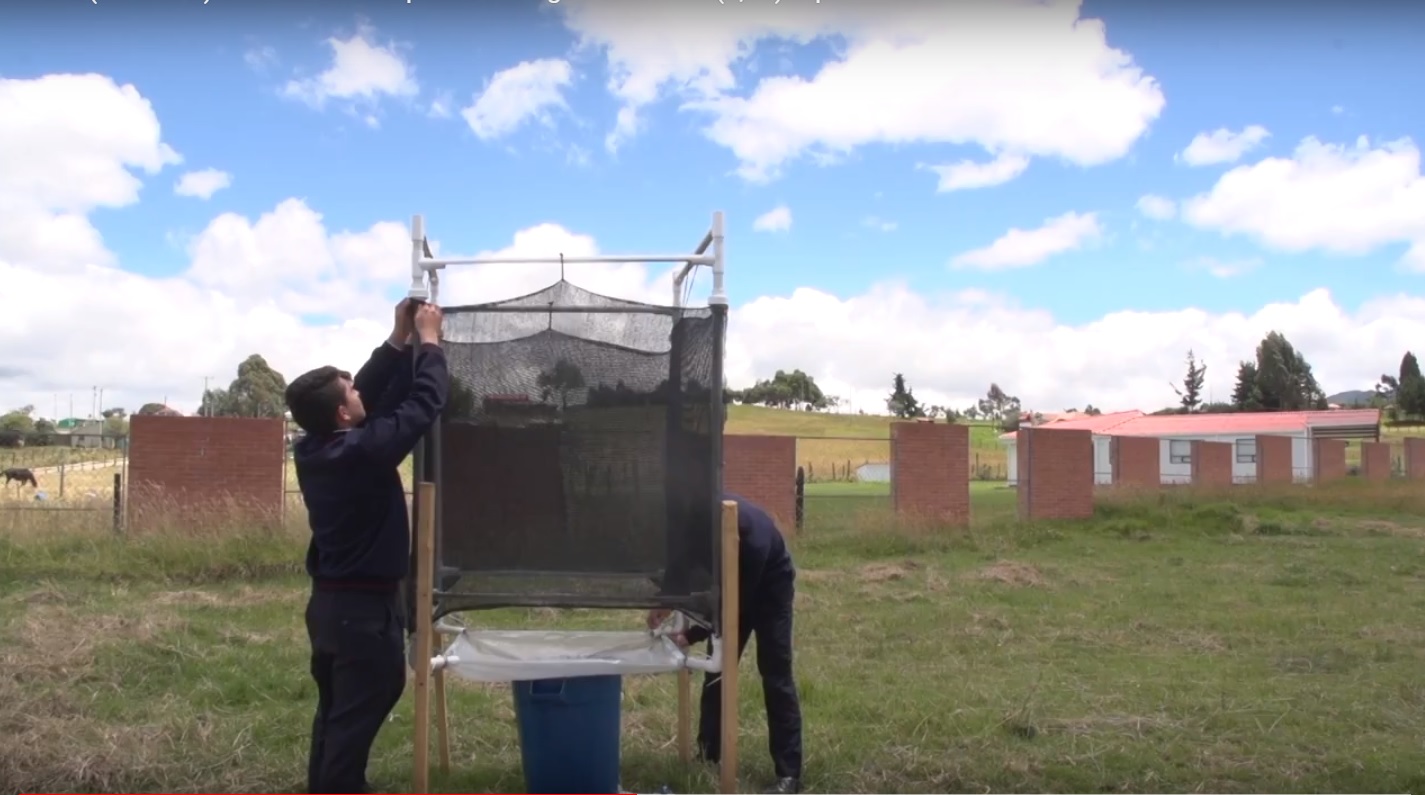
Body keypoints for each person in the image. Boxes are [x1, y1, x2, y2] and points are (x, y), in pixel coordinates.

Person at [284, 298, 449, 795]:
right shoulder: (360, 451)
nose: (361, 392)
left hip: (334, 608)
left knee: (339, 713)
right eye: (352, 390)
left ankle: (332, 785)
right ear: (341, 411)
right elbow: (423, 404)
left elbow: (365, 398)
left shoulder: (317, 446)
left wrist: (398, 339)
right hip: (361, 613)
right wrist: (432, 343)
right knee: (361, 706)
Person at [647, 493, 804, 795]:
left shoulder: (752, 539)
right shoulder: (695, 518)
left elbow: (733, 609)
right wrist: (664, 602)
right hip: (736, 589)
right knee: (715, 671)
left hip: (770, 588)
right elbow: (681, 563)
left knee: (775, 676)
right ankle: (708, 754)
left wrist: (692, 635)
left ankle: (789, 777)